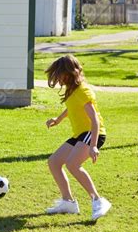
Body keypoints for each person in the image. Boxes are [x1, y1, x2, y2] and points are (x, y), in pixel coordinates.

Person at [44, 54, 111, 220]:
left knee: (72, 164)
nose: (57, 78)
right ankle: (68, 202)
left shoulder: (82, 90)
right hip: (80, 134)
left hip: (92, 133)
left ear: (69, 73)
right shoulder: (72, 90)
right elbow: (71, 108)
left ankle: (98, 200)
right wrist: (57, 120)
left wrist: (93, 145)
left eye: (59, 74)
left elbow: (94, 119)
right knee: (54, 162)